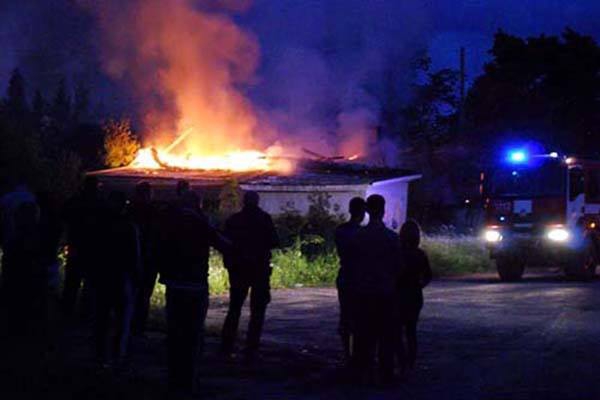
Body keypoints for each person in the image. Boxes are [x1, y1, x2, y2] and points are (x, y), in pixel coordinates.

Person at [160, 190, 229, 395]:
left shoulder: (170, 223)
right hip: (195, 286)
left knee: (174, 332)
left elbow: (158, 247)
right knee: (193, 333)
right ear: (198, 205)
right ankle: (189, 382)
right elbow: (224, 244)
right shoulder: (201, 225)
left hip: (174, 285)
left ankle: (174, 380)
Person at [221, 191, 279, 361]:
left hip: (239, 270)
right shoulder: (264, 219)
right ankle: (251, 348)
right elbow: (274, 241)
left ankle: (227, 345)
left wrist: (231, 262)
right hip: (259, 270)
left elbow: (225, 243)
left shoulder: (234, 220)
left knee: (235, 308)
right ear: (257, 202)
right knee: (257, 311)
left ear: (244, 202)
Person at [351, 194, 401, 383]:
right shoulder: (391, 238)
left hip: (363, 292)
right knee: (386, 335)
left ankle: (363, 371)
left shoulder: (358, 237)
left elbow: (352, 264)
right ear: (383, 210)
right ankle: (386, 373)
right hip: (385, 292)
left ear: (367, 211)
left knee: (364, 334)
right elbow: (399, 266)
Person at [90, 191, 141, 367]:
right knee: (121, 320)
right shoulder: (128, 226)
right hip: (120, 278)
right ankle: (117, 355)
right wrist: (135, 277)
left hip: (102, 277)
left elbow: (92, 251)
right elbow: (134, 255)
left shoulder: (98, 224)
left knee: (101, 318)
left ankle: (99, 355)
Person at [61, 176, 105, 315]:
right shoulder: (99, 203)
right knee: (89, 284)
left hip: (77, 247)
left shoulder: (75, 201)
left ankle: (67, 312)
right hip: (91, 249)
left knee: (72, 283)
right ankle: (84, 314)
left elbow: (64, 218)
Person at [396, 220, 432, 373]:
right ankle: (410, 363)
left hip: (397, 294)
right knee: (411, 331)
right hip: (415, 294)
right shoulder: (420, 254)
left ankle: (401, 361)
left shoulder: (397, 253)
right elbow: (428, 275)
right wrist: (419, 285)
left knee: (396, 330)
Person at [334, 197, 366, 363]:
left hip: (345, 275)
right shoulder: (362, 233)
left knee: (345, 315)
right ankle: (357, 355)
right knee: (359, 316)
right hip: (358, 277)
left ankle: (347, 353)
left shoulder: (341, 231)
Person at [130, 182, 159, 336]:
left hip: (134, 260)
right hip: (147, 260)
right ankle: (138, 327)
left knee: (134, 294)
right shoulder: (153, 213)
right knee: (143, 295)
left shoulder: (129, 211)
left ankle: (129, 326)